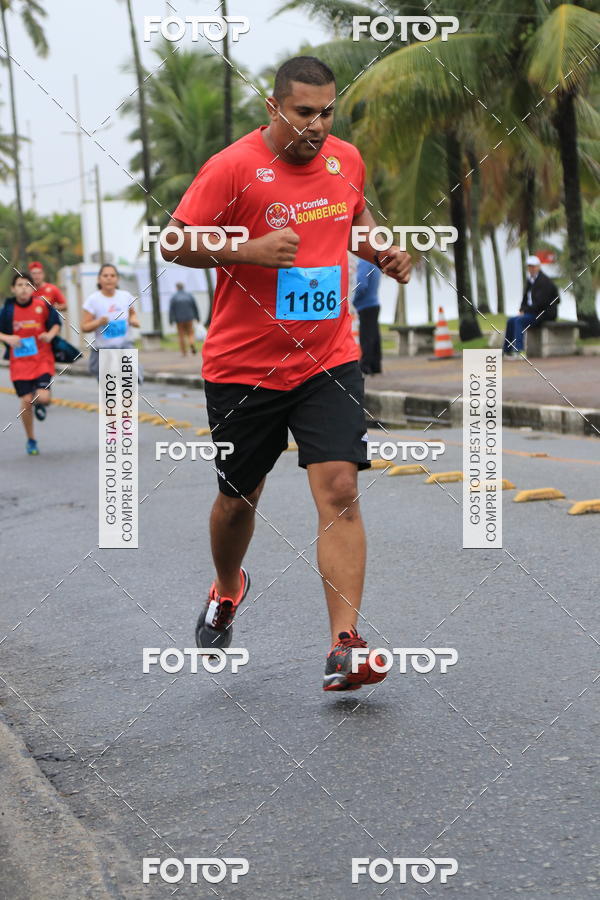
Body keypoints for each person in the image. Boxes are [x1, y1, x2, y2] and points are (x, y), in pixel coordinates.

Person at [162, 56, 411, 692]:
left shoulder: (345, 160)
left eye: (326, 112)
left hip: (328, 358)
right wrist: (247, 249)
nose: (317, 125)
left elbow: (356, 221)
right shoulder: (232, 167)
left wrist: (382, 250)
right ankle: (227, 587)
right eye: (304, 113)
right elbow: (174, 242)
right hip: (243, 366)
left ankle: (344, 645)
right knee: (238, 500)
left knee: (340, 489)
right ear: (273, 107)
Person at [0, 271, 61, 454]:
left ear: (33, 288)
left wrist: (49, 335)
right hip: (19, 363)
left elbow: (56, 324)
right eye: (20, 285)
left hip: (42, 359)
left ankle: (40, 402)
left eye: (27, 285)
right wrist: (8, 338)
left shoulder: (42, 305)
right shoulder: (7, 310)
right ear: (13, 289)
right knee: (26, 401)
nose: (24, 289)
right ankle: (31, 439)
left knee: (43, 397)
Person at [81, 264, 140, 379]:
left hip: (125, 348)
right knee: (111, 389)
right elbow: (84, 327)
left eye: (112, 275)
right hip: (105, 350)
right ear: (99, 279)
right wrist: (98, 322)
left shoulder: (126, 296)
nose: (109, 278)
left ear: (117, 279)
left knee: (128, 386)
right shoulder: (93, 300)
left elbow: (132, 313)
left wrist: (133, 320)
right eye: (105, 275)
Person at [503, 255, 559, 359]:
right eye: (529, 266)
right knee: (511, 321)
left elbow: (540, 303)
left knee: (519, 321)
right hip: (533, 312)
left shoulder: (544, 281)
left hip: (544, 314)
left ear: (538, 267)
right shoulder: (531, 280)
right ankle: (507, 351)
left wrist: (525, 311)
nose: (531, 269)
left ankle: (519, 351)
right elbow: (525, 298)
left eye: (533, 266)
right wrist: (522, 309)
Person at [353, 256, 382, 375]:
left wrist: (355, 300)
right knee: (374, 335)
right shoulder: (374, 262)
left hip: (365, 304)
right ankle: (376, 365)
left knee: (366, 336)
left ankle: (365, 365)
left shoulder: (364, 261)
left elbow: (361, 285)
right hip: (374, 302)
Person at [169, 282, 200, 356]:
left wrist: (171, 320)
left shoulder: (174, 297)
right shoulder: (189, 295)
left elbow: (171, 309)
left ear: (177, 288)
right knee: (190, 333)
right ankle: (191, 343)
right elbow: (195, 307)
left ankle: (184, 352)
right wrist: (197, 317)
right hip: (189, 318)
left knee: (181, 335)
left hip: (179, 319)